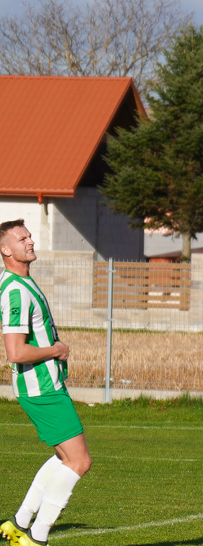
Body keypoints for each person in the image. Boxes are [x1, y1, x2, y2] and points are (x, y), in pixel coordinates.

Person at [0, 219, 92, 546]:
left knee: (64, 458)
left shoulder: (24, 282)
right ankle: (36, 538)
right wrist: (56, 349)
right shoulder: (14, 290)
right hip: (41, 390)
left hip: (47, 385)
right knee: (79, 461)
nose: (30, 242)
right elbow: (15, 351)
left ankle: (18, 524)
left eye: (30, 236)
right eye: (22, 238)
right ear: (5, 249)